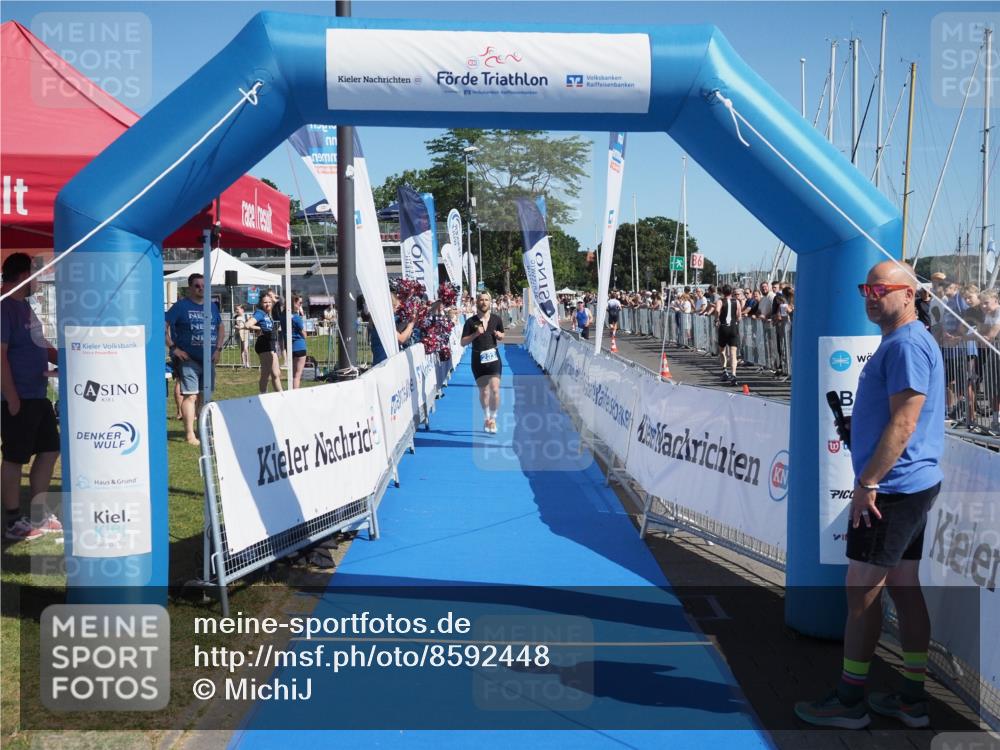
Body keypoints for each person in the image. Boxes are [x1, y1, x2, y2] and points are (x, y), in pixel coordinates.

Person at [796, 261, 944, 730]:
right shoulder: (904, 342)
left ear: (909, 294)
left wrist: (867, 483)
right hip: (908, 484)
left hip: (893, 490)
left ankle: (850, 700)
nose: (870, 295)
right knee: (902, 587)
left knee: (860, 592)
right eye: (866, 287)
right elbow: (894, 416)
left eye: (881, 288)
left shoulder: (905, 344)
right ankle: (912, 699)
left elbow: (905, 422)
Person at [1, 253, 62, 541]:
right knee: (15, 457)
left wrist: (64, 358)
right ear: (24, 275)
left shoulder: (25, 305)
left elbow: (40, 342)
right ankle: (13, 520)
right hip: (17, 396)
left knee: (50, 449)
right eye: (36, 275)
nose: (39, 281)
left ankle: (39, 514)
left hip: (37, 394)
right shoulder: (3, 307)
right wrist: (11, 397)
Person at [165, 273, 223, 445]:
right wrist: (173, 348)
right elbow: (164, 325)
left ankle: (202, 431)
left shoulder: (212, 306)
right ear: (190, 288)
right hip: (188, 359)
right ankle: (190, 434)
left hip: (209, 359)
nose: (201, 288)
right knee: (191, 396)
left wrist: (218, 349)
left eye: (204, 285)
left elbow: (220, 326)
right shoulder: (181, 306)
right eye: (197, 285)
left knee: (206, 396)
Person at [461, 291, 504, 434]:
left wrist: (499, 335)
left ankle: (493, 419)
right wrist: (476, 334)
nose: (484, 302)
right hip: (477, 359)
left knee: (495, 389)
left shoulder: (496, 319)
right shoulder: (470, 322)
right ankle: (486, 418)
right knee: (484, 392)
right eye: (481, 300)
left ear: (490, 302)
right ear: (477, 302)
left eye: (486, 300)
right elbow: (463, 342)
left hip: (494, 358)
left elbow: (502, 334)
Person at [244, 291, 282, 394]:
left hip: (271, 344)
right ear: (261, 303)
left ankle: (280, 395)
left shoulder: (267, 314)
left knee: (276, 373)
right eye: (265, 302)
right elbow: (248, 325)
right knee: (266, 373)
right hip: (264, 344)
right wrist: (260, 328)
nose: (268, 304)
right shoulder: (260, 313)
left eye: (269, 302)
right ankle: (264, 395)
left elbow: (279, 302)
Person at [364, 294, 415, 367]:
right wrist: (411, 324)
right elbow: (401, 339)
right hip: (383, 364)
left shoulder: (380, 320)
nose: (396, 311)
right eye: (396, 308)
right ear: (390, 306)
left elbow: (402, 339)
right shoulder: (382, 321)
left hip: (383, 362)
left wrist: (409, 325)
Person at [714, 284, 742, 385]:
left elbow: (717, 310)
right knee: (733, 353)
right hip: (733, 328)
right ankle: (734, 375)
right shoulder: (737, 301)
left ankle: (724, 370)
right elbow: (739, 315)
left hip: (724, 327)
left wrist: (716, 319)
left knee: (722, 350)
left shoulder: (720, 301)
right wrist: (736, 320)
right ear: (731, 292)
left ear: (722, 292)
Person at [289, 295, 309, 389]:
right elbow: (304, 334)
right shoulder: (296, 318)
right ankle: (295, 393)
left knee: (293, 374)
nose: (301, 305)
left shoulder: (287, 316)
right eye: (300, 303)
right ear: (294, 303)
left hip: (291, 346)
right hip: (300, 346)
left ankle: (292, 391)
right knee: (297, 375)